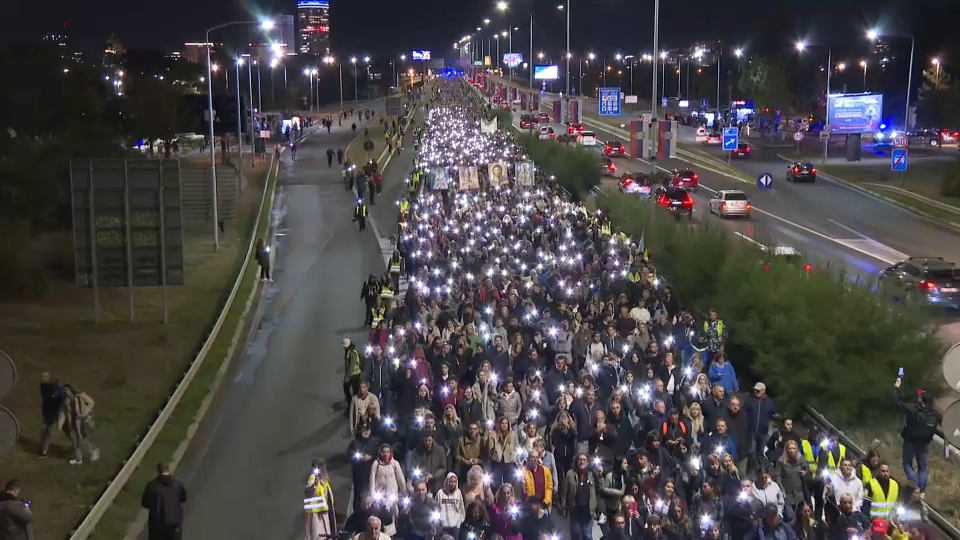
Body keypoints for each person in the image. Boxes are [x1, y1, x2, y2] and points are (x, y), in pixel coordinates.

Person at [892, 377, 939, 496]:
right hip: (925, 443)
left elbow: (898, 402)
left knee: (907, 463)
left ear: (921, 399)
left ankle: (915, 487)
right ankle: (922, 491)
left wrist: (896, 387)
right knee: (922, 468)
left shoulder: (914, 409)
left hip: (911, 441)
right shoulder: (934, 413)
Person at [140, 463, 187, 540]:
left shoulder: (152, 486)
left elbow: (145, 503)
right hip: (174, 523)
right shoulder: (178, 485)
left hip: (157, 524)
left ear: (158, 471)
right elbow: (183, 499)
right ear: (168, 470)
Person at [64, 384, 98, 465]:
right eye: (64, 391)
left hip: (84, 419)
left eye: (66, 390)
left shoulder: (81, 396)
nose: (66, 393)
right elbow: (68, 412)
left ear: (70, 390)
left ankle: (93, 451)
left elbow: (91, 402)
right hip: (76, 420)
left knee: (83, 437)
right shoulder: (67, 400)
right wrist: (69, 423)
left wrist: (85, 413)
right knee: (77, 437)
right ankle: (79, 457)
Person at [303, 459, 337, 540]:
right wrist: (314, 484)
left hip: (325, 514)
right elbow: (308, 491)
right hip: (316, 516)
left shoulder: (325, 481)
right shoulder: (313, 478)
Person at [39, 372, 65, 458]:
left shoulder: (56, 389)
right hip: (48, 413)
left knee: (46, 430)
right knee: (45, 430)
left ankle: (77, 449)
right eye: (41, 377)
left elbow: (60, 402)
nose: (42, 378)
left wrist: (60, 414)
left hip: (55, 412)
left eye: (44, 377)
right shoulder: (43, 387)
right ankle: (44, 451)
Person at [343, 339, 363, 415]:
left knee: (352, 392)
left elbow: (351, 366)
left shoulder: (352, 353)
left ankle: (353, 409)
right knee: (350, 391)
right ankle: (352, 407)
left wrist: (347, 377)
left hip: (354, 376)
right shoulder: (349, 352)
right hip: (352, 375)